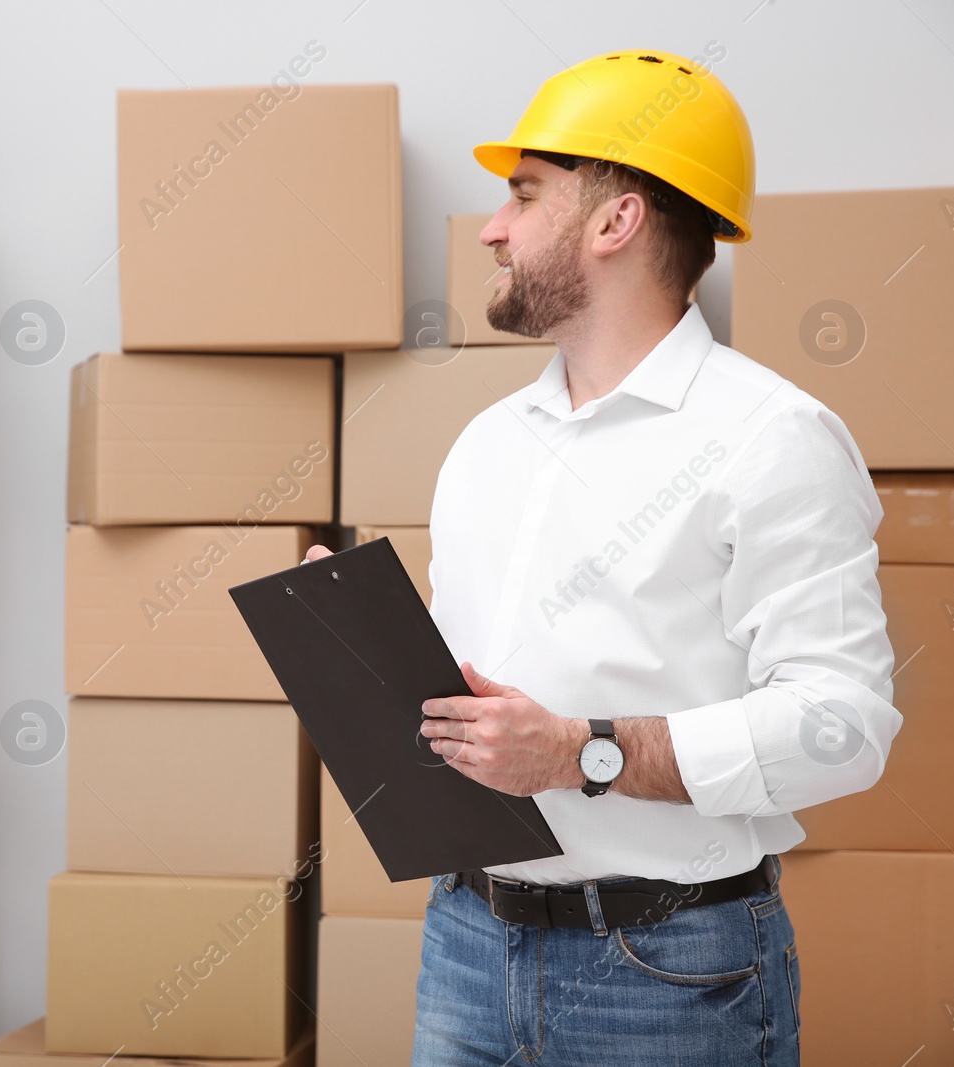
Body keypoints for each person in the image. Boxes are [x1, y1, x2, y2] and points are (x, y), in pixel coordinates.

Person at [304, 49, 899, 1065]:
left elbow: (842, 727)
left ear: (615, 221)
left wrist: (585, 750)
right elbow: (468, 708)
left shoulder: (773, 438)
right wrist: (354, 660)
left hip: (670, 970)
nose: (492, 226)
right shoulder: (488, 442)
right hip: (465, 941)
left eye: (524, 196)